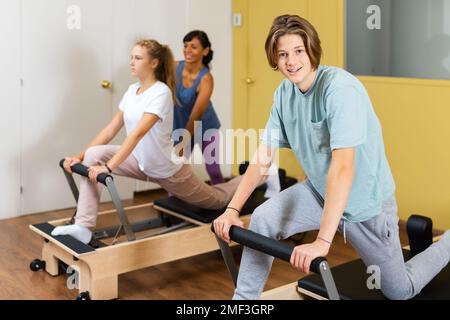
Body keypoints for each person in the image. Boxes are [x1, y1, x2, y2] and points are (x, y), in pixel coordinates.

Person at [213, 14, 450, 300]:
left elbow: (342, 169)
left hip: (365, 205)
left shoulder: (340, 89)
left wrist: (322, 241)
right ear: (274, 60)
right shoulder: (283, 94)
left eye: (298, 51)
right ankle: (244, 301)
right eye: (283, 54)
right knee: (263, 218)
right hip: (319, 193)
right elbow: (263, 158)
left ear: (311, 49)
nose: (291, 61)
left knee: (400, 290)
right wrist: (232, 210)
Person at [51, 39, 242, 244]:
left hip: (168, 171)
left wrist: (108, 167)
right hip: (141, 163)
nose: (132, 62)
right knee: (93, 154)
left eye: (138, 58)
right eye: (131, 57)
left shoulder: (161, 92)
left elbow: (138, 133)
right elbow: (110, 129)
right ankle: (83, 225)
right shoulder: (133, 90)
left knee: (218, 199)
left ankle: (256, 177)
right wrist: (78, 158)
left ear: (154, 63)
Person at [173, 30, 224, 185]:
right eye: (185, 45)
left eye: (193, 47)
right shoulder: (175, 67)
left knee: (213, 170)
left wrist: (182, 144)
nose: (187, 50)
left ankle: (224, 203)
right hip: (181, 125)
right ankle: (171, 206)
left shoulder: (206, 79)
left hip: (206, 126)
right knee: (176, 169)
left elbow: (196, 116)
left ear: (205, 51)